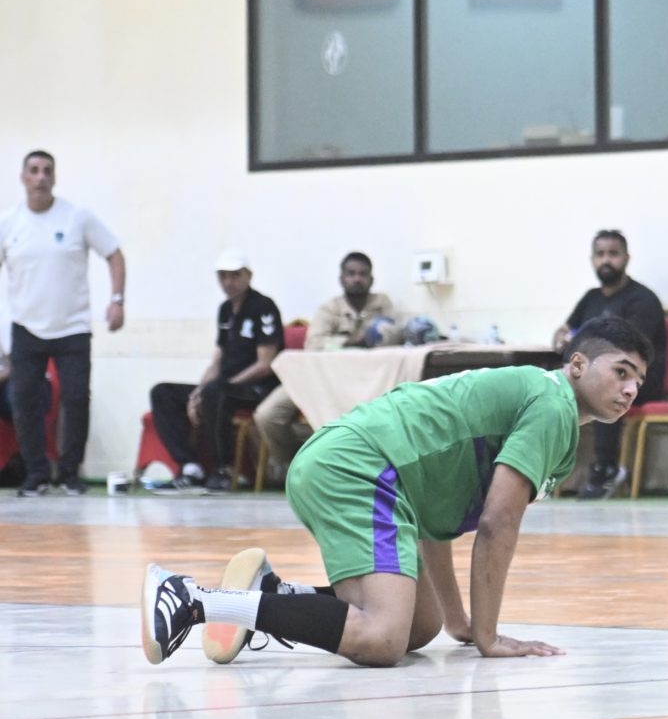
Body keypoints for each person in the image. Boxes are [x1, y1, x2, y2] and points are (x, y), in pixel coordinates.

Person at [140, 317, 651, 668]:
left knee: (418, 627)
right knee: (382, 638)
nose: (630, 389)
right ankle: (194, 600)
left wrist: (459, 621)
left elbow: (435, 522)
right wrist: (489, 637)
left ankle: (270, 597)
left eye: (638, 382)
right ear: (577, 364)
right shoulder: (553, 406)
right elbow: (498, 523)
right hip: (359, 467)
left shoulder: (543, 401)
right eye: (620, 372)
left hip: (369, 470)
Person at [2, 149, 125, 495]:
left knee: (76, 398)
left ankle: (70, 473)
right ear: (23, 178)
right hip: (26, 327)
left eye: (47, 171)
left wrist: (117, 300)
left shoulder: (77, 217)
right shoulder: (9, 222)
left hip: (73, 327)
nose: (40, 177)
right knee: (24, 400)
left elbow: (114, 254)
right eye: (34, 170)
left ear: (54, 178)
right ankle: (36, 474)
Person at [252, 250, 400, 477]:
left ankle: (337, 461)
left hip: (367, 380)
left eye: (363, 274)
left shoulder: (383, 304)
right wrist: (354, 341)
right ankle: (294, 466)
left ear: (371, 279)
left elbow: (396, 335)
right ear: (342, 278)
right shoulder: (329, 308)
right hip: (319, 376)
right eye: (351, 273)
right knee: (267, 415)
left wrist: (375, 335)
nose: (357, 279)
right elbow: (314, 344)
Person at [147, 252, 284, 493]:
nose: (229, 282)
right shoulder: (225, 310)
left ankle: (223, 469)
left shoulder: (263, 307)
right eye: (223, 276)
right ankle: (190, 467)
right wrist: (197, 393)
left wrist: (222, 385)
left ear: (248, 276)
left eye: (235, 275)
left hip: (257, 388)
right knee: (163, 392)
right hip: (224, 386)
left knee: (216, 393)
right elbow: (216, 362)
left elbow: (265, 364)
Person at [554, 230, 668, 498]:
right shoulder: (591, 298)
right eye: (600, 254)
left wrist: (577, 342)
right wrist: (561, 338)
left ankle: (605, 469)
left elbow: (628, 350)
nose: (606, 260)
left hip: (642, 379)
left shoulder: (643, 299)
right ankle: (550, 467)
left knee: (606, 384)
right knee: (557, 385)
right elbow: (565, 330)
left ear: (626, 258)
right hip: (601, 371)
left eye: (613, 254)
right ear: (592, 259)